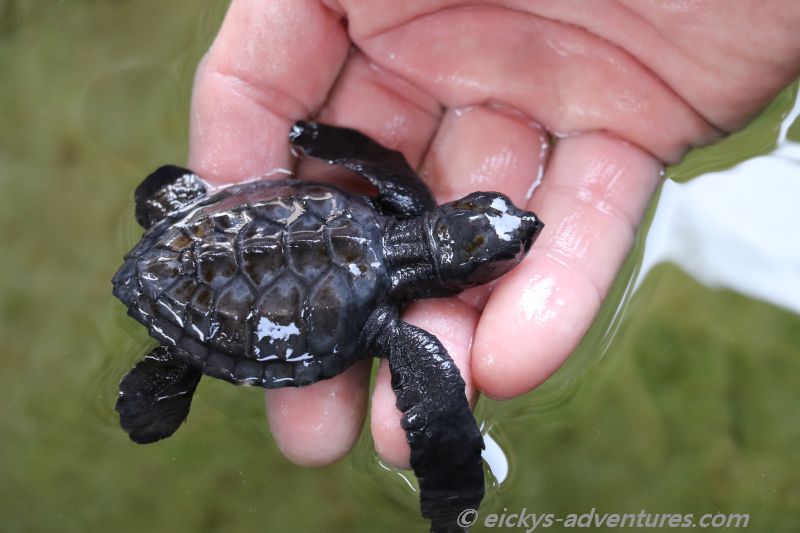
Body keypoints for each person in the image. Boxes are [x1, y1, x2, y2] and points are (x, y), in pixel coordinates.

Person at [187, 0, 800, 470]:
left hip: (253, 238)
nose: (525, 221)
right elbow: (377, 164)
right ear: (459, 276)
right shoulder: (393, 309)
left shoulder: (393, 205)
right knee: (424, 405)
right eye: (505, 234)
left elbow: (376, 162)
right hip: (234, 268)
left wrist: (314, 139)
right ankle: (177, 361)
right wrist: (452, 474)